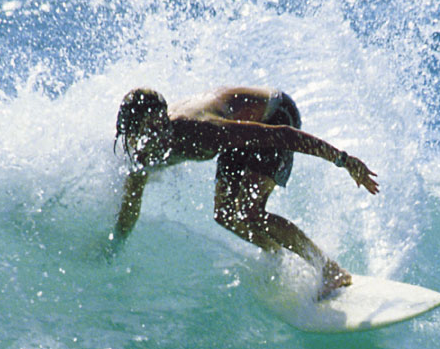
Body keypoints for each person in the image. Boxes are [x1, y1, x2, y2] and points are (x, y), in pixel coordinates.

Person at [107, 86, 379, 296]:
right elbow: (130, 206)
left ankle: (330, 270)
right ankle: (276, 253)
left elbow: (281, 135)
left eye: (160, 126)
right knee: (225, 214)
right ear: (131, 135)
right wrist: (114, 246)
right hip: (236, 134)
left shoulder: (200, 130)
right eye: (147, 132)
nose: (158, 136)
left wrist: (343, 160)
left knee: (250, 213)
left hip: (274, 113)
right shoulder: (142, 156)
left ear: (165, 118)